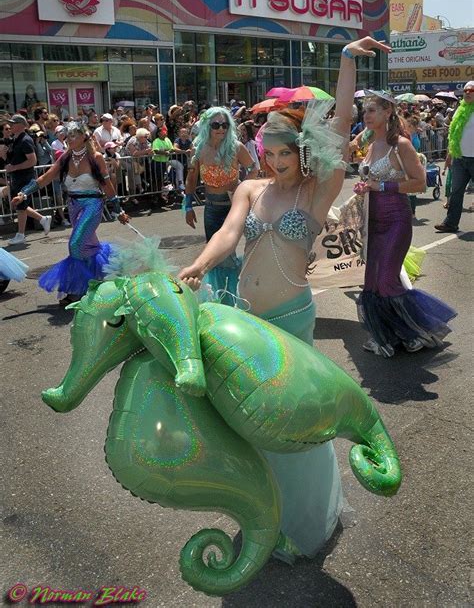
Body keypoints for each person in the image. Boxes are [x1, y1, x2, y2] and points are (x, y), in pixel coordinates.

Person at [179, 37, 391, 562]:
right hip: (246, 318)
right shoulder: (250, 188)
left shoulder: (317, 190)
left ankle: (301, 519)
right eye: (268, 153)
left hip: (291, 319)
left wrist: (344, 62)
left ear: (302, 152)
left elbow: (339, 129)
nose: (275, 162)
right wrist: (201, 264)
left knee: (290, 422)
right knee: (251, 421)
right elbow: (229, 233)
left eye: (284, 153)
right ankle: (261, 511)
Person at [355, 91, 456, 358]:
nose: (366, 115)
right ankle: (390, 335)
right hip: (373, 222)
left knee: (388, 279)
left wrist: (381, 185)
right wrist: (364, 187)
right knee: (373, 282)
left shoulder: (400, 144)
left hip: (396, 220)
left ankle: (414, 331)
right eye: (365, 111)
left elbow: (420, 183)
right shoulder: (372, 145)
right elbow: (370, 180)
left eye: (372, 110)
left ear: (388, 112)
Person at [11, 122, 128, 304]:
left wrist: (118, 210)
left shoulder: (95, 158)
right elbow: (45, 177)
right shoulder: (66, 158)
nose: (69, 139)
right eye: (68, 135)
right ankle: (98, 280)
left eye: (73, 135)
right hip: (73, 206)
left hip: (92, 204)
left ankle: (79, 289)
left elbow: (107, 186)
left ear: (84, 137)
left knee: (75, 244)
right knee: (87, 245)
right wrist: (24, 192)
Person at [182, 106, 257, 304]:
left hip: (233, 208)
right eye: (216, 125)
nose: (221, 129)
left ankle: (231, 299)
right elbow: (191, 179)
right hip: (212, 208)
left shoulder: (236, 147)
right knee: (213, 254)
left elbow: (254, 168)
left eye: (224, 125)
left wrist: (243, 191)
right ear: (208, 125)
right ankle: (219, 298)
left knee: (227, 253)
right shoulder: (197, 149)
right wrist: (188, 206)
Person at [4, 114, 51, 245]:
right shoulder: (15, 140)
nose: (10, 126)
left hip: (25, 177)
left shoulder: (25, 140)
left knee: (20, 206)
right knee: (20, 205)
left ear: (21, 125)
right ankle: (43, 219)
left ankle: (21, 235)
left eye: (13, 123)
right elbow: (7, 158)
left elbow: (32, 160)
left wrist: (14, 167)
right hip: (17, 177)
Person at [435, 81, 474, 233]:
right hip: (460, 158)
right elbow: (453, 135)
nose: (468, 93)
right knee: (456, 192)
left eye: (471, 90)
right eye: (466, 90)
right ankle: (450, 223)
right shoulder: (459, 110)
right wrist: (449, 155)